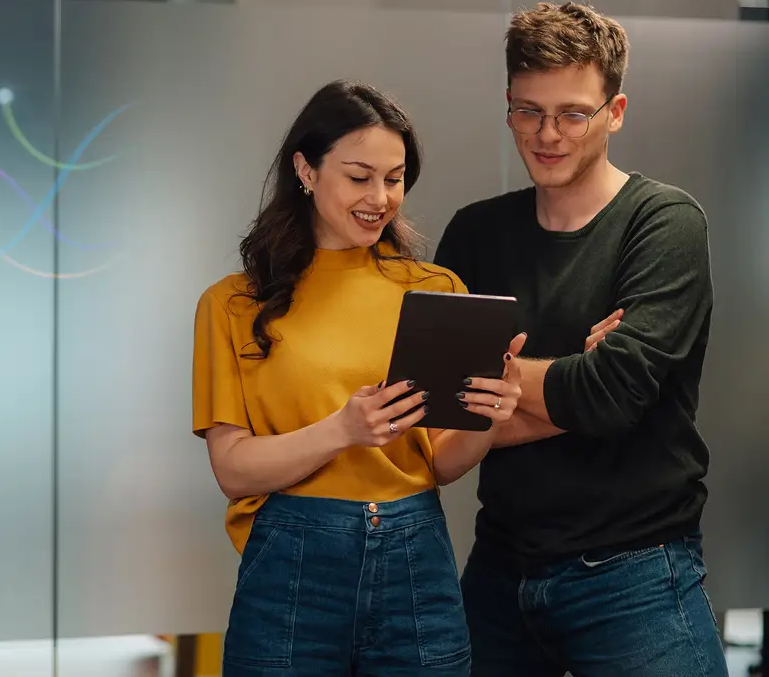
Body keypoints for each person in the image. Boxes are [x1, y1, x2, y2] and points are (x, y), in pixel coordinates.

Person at [192, 79, 526, 677]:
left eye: (394, 178)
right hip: (292, 565)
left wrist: (489, 418)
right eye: (359, 176)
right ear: (306, 169)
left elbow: (438, 462)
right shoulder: (234, 304)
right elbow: (232, 468)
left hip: (415, 555)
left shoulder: (435, 290)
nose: (380, 197)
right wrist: (343, 429)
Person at [433, 1, 726, 676]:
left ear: (614, 112)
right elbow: (436, 404)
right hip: (499, 571)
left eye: (572, 113)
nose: (547, 134)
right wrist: (582, 385)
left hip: (636, 575)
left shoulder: (664, 224)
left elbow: (616, 391)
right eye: (527, 110)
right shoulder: (476, 234)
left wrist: (502, 387)